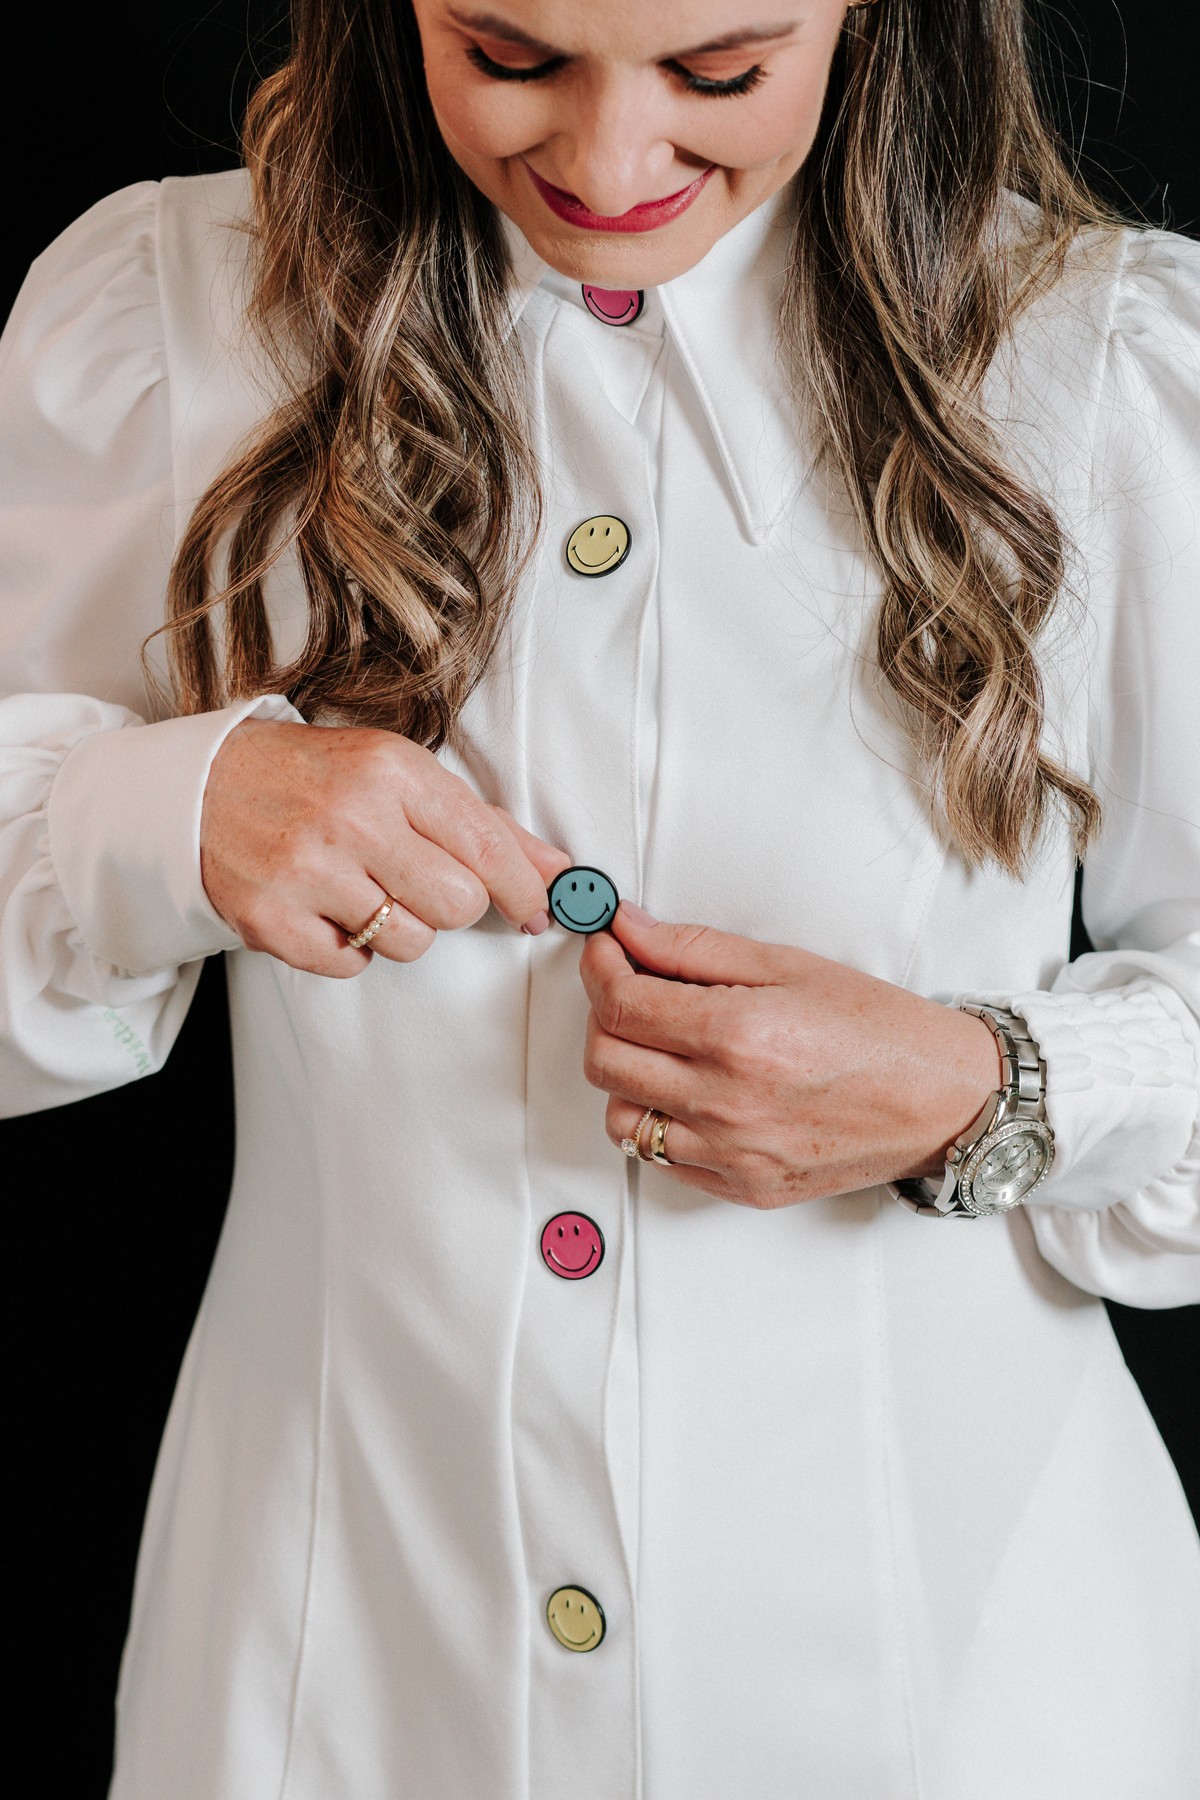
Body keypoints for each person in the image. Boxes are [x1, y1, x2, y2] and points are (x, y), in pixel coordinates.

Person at [1, 0, 1197, 1793]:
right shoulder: (164, 317)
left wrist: (987, 1087)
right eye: (510, 56)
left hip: (963, 1696)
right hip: (335, 1684)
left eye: (720, 73)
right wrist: (170, 817)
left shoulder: (1101, 364)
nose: (607, 161)